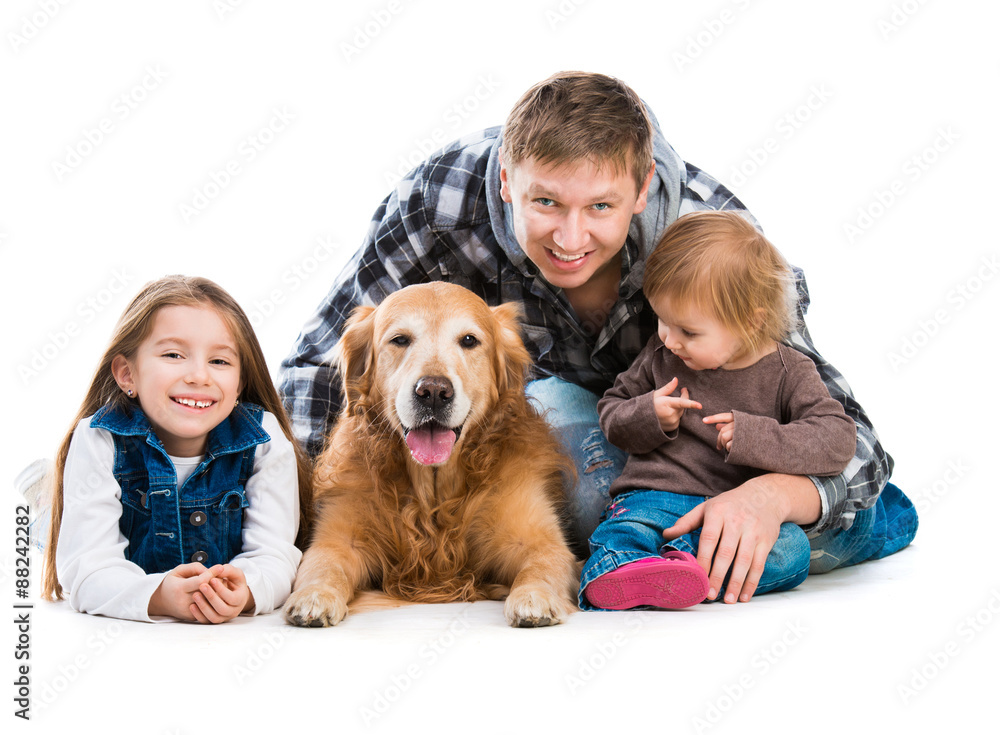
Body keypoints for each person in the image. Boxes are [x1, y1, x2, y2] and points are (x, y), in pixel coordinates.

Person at [278, 71, 916, 603]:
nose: (571, 238)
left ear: (641, 190)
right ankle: (656, 551)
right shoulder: (438, 204)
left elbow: (849, 434)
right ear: (506, 179)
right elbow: (316, 367)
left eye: (601, 208)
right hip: (564, 419)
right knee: (575, 491)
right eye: (547, 203)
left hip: (708, 444)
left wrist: (778, 492)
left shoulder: (712, 240)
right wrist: (304, 526)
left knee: (803, 520)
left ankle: (743, 536)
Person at [581, 211, 857, 610]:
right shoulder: (661, 354)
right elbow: (611, 411)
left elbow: (836, 439)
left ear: (750, 322)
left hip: (733, 510)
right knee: (624, 530)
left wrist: (754, 437)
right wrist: (648, 414)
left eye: (688, 331)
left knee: (790, 549)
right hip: (654, 497)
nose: (667, 339)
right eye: (661, 320)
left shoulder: (789, 371)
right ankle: (624, 571)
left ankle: (678, 566)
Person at [42, 275, 311, 623]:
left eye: (220, 361)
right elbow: (85, 567)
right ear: (127, 374)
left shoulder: (264, 439)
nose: (199, 375)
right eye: (173, 354)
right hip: (85, 509)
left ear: (240, 381)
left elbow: (275, 555)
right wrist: (157, 596)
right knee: (43, 527)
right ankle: (43, 494)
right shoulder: (99, 439)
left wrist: (247, 588)